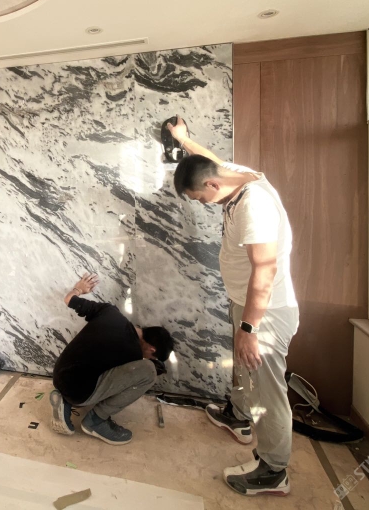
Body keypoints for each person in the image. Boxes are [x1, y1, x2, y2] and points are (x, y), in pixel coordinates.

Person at [168, 116, 299, 497]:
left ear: (212, 185)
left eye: (200, 198)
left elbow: (266, 269)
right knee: (243, 370)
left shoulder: (254, 206)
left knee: (267, 392)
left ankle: (274, 470)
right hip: (245, 303)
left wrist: (250, 328)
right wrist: (183, 139)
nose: (203, 204)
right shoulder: (234, 177)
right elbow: (209, 159)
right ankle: (238, 416)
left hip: (264, 315)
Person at [49, 273, 175, 446]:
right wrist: (148, 364)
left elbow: (69, 299)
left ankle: (65, 400)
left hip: (59, 375)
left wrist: (79, 289)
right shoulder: (132, 354)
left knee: (90, 369)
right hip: (78, 393)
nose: (147, 358)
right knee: (149, 372)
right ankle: (95, 421)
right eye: (151, 356)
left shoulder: (110, 311)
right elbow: (119, 384)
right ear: (152, 349)